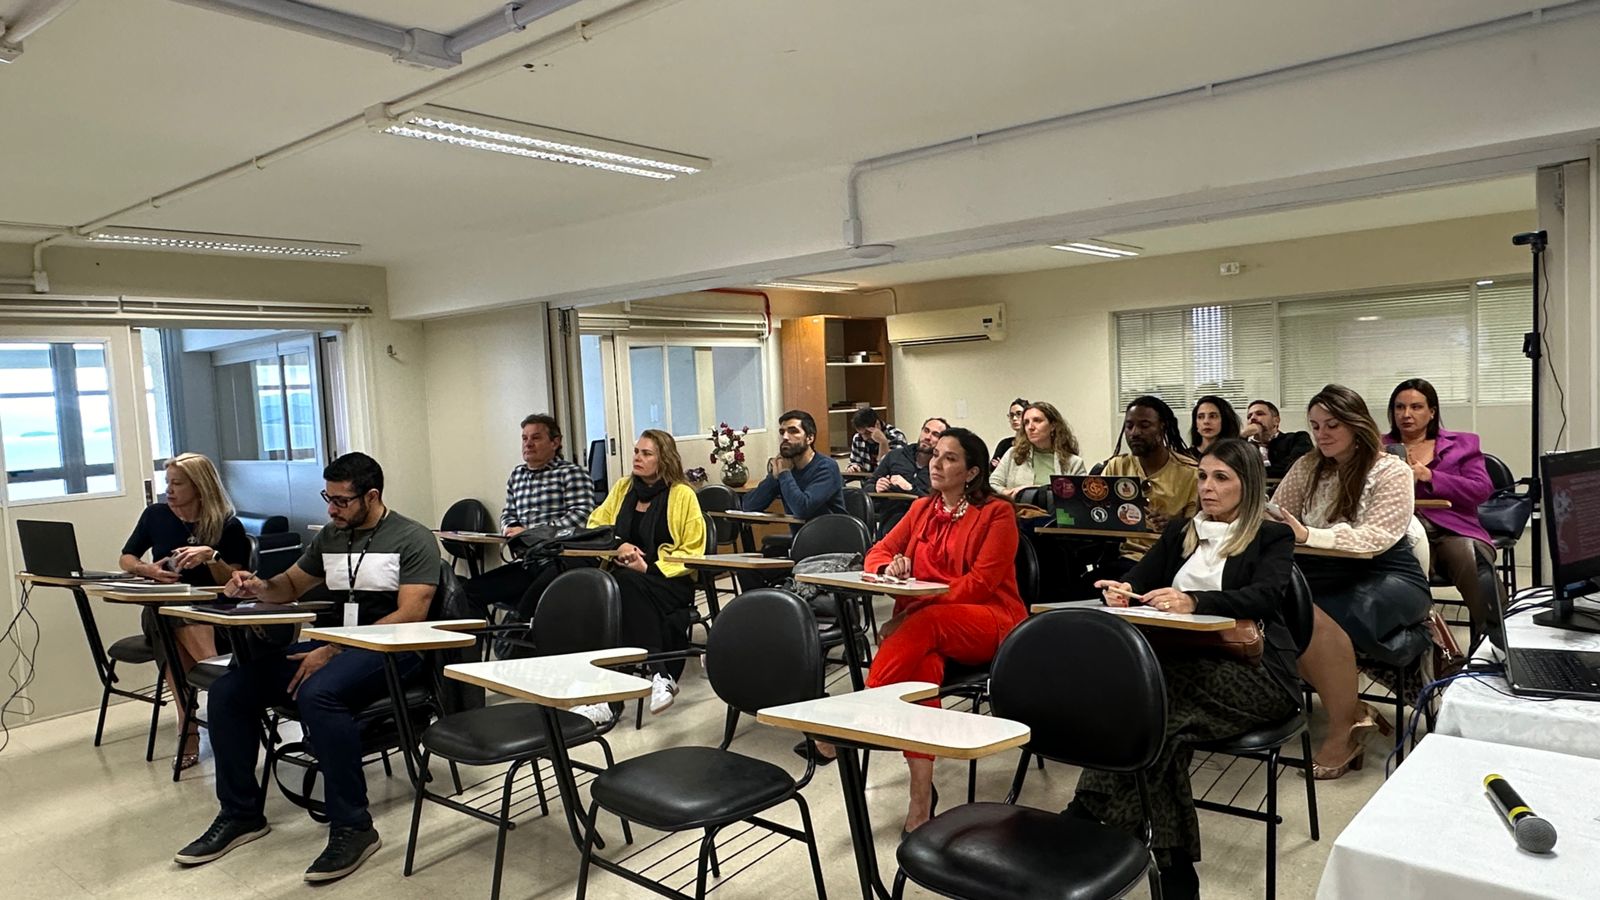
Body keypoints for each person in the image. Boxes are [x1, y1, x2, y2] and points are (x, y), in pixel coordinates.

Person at [175, 452, 441, 882]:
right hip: (333, 647)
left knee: (321, 693)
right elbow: (289, 587)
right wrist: (257, 585)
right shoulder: (332, 536)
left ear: (371, 497)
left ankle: (354, 827)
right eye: (327, 498)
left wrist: (333, 649)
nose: (330, 509)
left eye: (340, 501)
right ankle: (241, 814)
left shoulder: (412, 538)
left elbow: (411, 614)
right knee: (229, 691)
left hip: (396, 651)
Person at [1084, 438, 1300, 900]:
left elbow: (1265, 596)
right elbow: (1143, 576)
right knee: (1161, 727)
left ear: (1249, 485)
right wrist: (1123, 589)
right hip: (1184, 672)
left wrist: (1195, 601)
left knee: (1153, 707)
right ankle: (1174, 866)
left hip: (1258, 673)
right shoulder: (1182, 530)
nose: (1208, 486)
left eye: (1222, 478)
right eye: (1203, 476)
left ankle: (1091, 814)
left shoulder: (1270, 535)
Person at [808, 428, 1024, 836]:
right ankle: (921, 798)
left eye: (949, 459)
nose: (936, 464)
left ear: (973, 472)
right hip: (925, 631)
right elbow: (876, 552)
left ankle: (849, 725)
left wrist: (913, 612)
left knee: (921, 627)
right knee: (922, 672)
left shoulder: (998, 513)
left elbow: (979, 585)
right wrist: (889, 569)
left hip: (989, 620)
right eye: (935, 456)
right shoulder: (923, 508)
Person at [1269, 384, 1430, 779]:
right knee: (1271, 616)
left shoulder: (1390, 468)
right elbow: (1277, 516)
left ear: (1357, 424)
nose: (1321, 434)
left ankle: (1342, 731)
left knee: (1311, 619)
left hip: (1387, 573)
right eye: (1315, 425)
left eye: (1332, 425)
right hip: (1322, 572)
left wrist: (1309, 536)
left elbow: (1374, 538)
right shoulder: (1308, 466)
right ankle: (1353, 711)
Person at [118, 452, 252, 770]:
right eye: (168, 482)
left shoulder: (227, 525)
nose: (169, 490)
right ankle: (219, 682)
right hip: (167, 605)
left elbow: (234, 583)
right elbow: (126, 558)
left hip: (215, 612)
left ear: (200, 486)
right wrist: (148, 570)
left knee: (169, 623)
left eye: (177, 483)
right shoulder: (156, 516)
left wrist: (211, 556)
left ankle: (188, 722)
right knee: (166, 613)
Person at [579, 429, 706, 719]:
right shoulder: (624, 488)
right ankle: (660, 673)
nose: (638, 457)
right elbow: (594, 525)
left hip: (669, 580)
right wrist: (618, 545)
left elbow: (693, 549)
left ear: (664, 459)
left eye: (646, 453)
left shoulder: (682, 494)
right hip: (626, 576)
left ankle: (608, 698)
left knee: (622, 586)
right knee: (613, 587)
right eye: (636, 451)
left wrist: (648, 566)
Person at [1386, 378, 1503, 640]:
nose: (1406, 414)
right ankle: (1416, 650)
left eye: (1416, 407)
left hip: (1453, 529)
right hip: (1401, 531)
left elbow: (1480, 489)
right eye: (1399, 407)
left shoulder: (1463, 443)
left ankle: (1496, 643)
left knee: (1469, 556)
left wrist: (1430, 476)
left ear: (1432, 412)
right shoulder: (1377, 447)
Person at [465, 414, 595, 614]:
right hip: (526, 562)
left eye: (536, 438)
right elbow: (508, 513)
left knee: (528, 606)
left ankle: (518, 638)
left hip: (558, 563)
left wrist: (530, 533)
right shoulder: (517, 475)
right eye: (525, 438)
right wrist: (508, 528)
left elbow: (580, 517)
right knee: (467, 593)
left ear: (555, 442)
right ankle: (471, 644)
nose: (528, 444)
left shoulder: (571, 473)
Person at [1092, 396, 1200, 578]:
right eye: (1129, 426)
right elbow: (1095, 510)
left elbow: (1199, 527)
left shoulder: (1190, 473)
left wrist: (1173, 526)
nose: (1134, 433)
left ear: (1162, 427)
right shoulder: (1117, 466)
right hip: (1123, 555)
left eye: (1144, 425)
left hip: (1167, 560)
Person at [740, 409, 846, 528]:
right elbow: (749, 506)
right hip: (802, 542)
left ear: (810, 438)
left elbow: (803, 510)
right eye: (782, 432)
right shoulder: (785, 467)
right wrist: (774, 478)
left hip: (833, 540)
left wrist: (784, 473)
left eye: (793, 431)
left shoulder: (826, 467)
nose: (785, 437)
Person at [988, 400, 1088, 496]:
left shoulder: (1074, 462)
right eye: (1026, 422)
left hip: (1056, 513)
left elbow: (1079, 500)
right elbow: (993, 483)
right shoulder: (1013, 454)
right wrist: (1007, 493)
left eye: (1037, 420)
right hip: (1019, 511)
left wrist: (1030, 491)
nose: (1030, 427)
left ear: (1053, 426)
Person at [869, 416, 947, 535]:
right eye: (926, 431)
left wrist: (910, 488)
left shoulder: (943, 467)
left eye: (935, 434)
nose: (928, 437)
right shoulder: (896, 456)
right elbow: (867, 487)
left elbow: (940, 503)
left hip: (926, 523)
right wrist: (877, 487)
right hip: (892, 518)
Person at [1242, 400, 1312, 480]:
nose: (1253, 418)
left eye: (1260, 414)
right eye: (1249, 416)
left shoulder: (1297, 438)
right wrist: (1242, 435)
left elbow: (1295, 466)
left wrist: (1252, 473)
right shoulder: (1245, 447)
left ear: (1276, 420)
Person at [846, 407, 907, 473]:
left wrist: (883, 442)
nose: (865, 438)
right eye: (861, 434)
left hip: (890, 481)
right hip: (867, 481)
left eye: (867, 433)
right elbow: (854, 462)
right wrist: (854, 467)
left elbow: (889, 469)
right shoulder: (858, 438)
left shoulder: (896, 436)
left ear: (877, 424)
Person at [990, 397, 1028, 469]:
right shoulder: (1004, 444)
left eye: (1019, 414)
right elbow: (992, 467)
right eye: (1011, 415)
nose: (1014, 418)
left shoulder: (1034, 442)